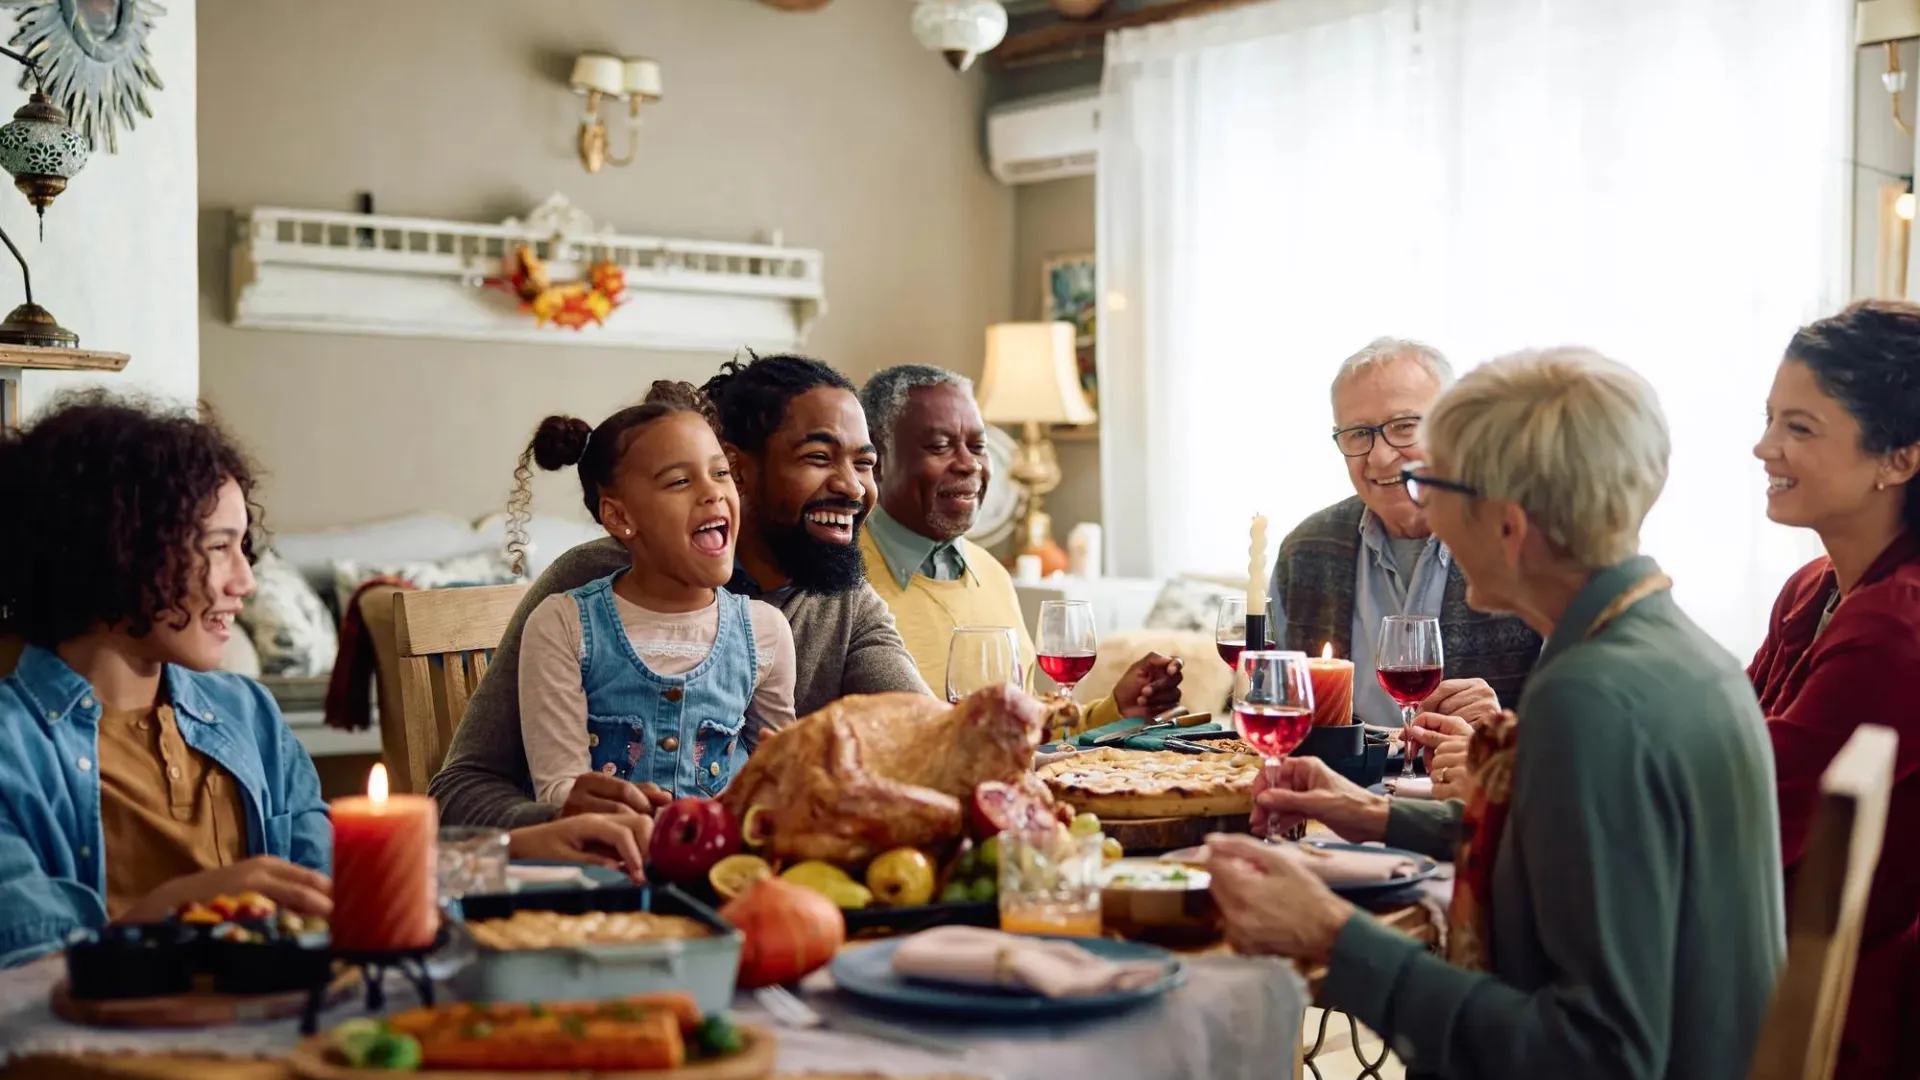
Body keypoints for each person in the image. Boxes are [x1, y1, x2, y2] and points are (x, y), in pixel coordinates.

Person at [1211, 349, 1784, 1079]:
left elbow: (1597, 1056)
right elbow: (1561, 842)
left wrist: (1335, 935)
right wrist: (1376, 815)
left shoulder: (1588, 702)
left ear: (1509, 527)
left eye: (1435, 484)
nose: (1425, 511)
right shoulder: (1680, 654)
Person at [432, 353, 928, 830]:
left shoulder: (845, 602)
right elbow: (459, 790)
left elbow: (928, 739)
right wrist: (561, 820)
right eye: (818, 457)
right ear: (741, 469)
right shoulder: (587, 586)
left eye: (865, 464)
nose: (854, 487)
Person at [1749, 300, 1920, 1080]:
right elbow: (1725, 753)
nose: (1764, 447)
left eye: (1800, 427)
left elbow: (1741, 818)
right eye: (1769, 418)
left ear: (1900, 458)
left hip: (1831, 1013)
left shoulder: (1896, 626)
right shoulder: (1813, 588)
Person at [512, 382, 796, 805]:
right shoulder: (563, 625)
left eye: (721, 473)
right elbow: (560, 795)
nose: (713, 492)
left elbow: (784, 778)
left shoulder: (765, 630)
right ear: (619, 516)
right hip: (606, 861)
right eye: (680, 481)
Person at [858, 364, 1183, 720]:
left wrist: (1116, 709)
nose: (970, 465)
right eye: (940, 446)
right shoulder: (838, 585)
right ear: (876, 461)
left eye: (978, 446)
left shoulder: (991, 573)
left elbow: (1024, 730)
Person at [1267, 339, 1541, 730]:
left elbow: (1579, 726)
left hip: (1474, 788)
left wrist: (1506, 732)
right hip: (1340, 785)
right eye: (1359, 434)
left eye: (1404, 427)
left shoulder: (1525, 544)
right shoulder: (1306, 549)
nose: (1379, 457)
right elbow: (1267, 698)